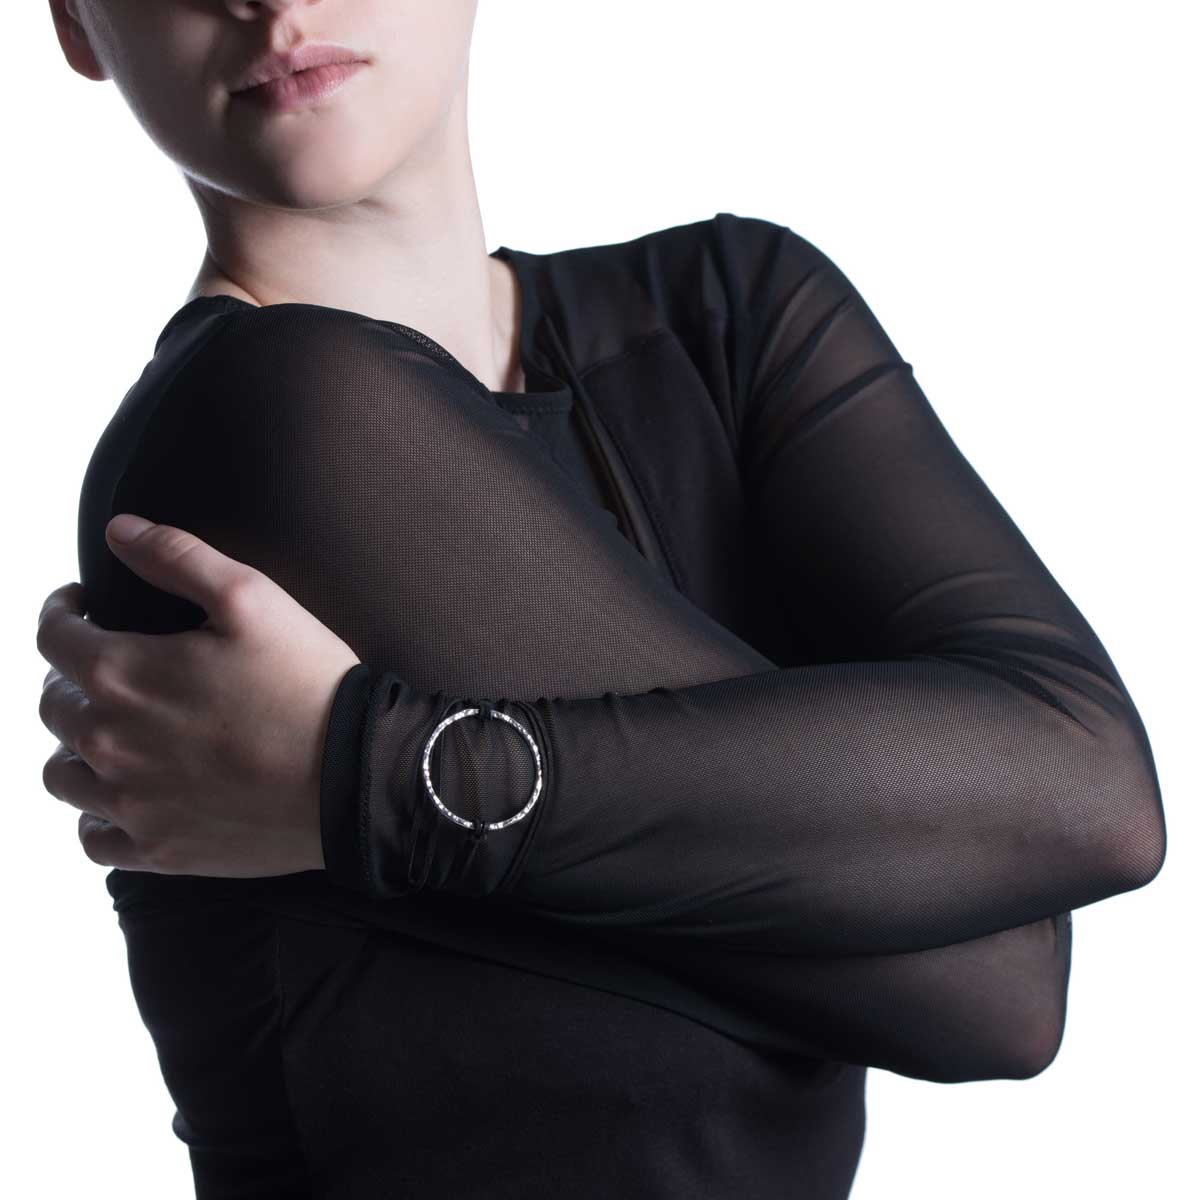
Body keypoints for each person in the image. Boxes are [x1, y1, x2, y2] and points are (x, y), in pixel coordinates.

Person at [39, 1, 1167, 1197]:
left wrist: (381, 775)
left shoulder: (728, 319)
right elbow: (993, 981)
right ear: (77, 23)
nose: (270, 0)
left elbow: (1090, 790)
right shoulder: (257, 427)